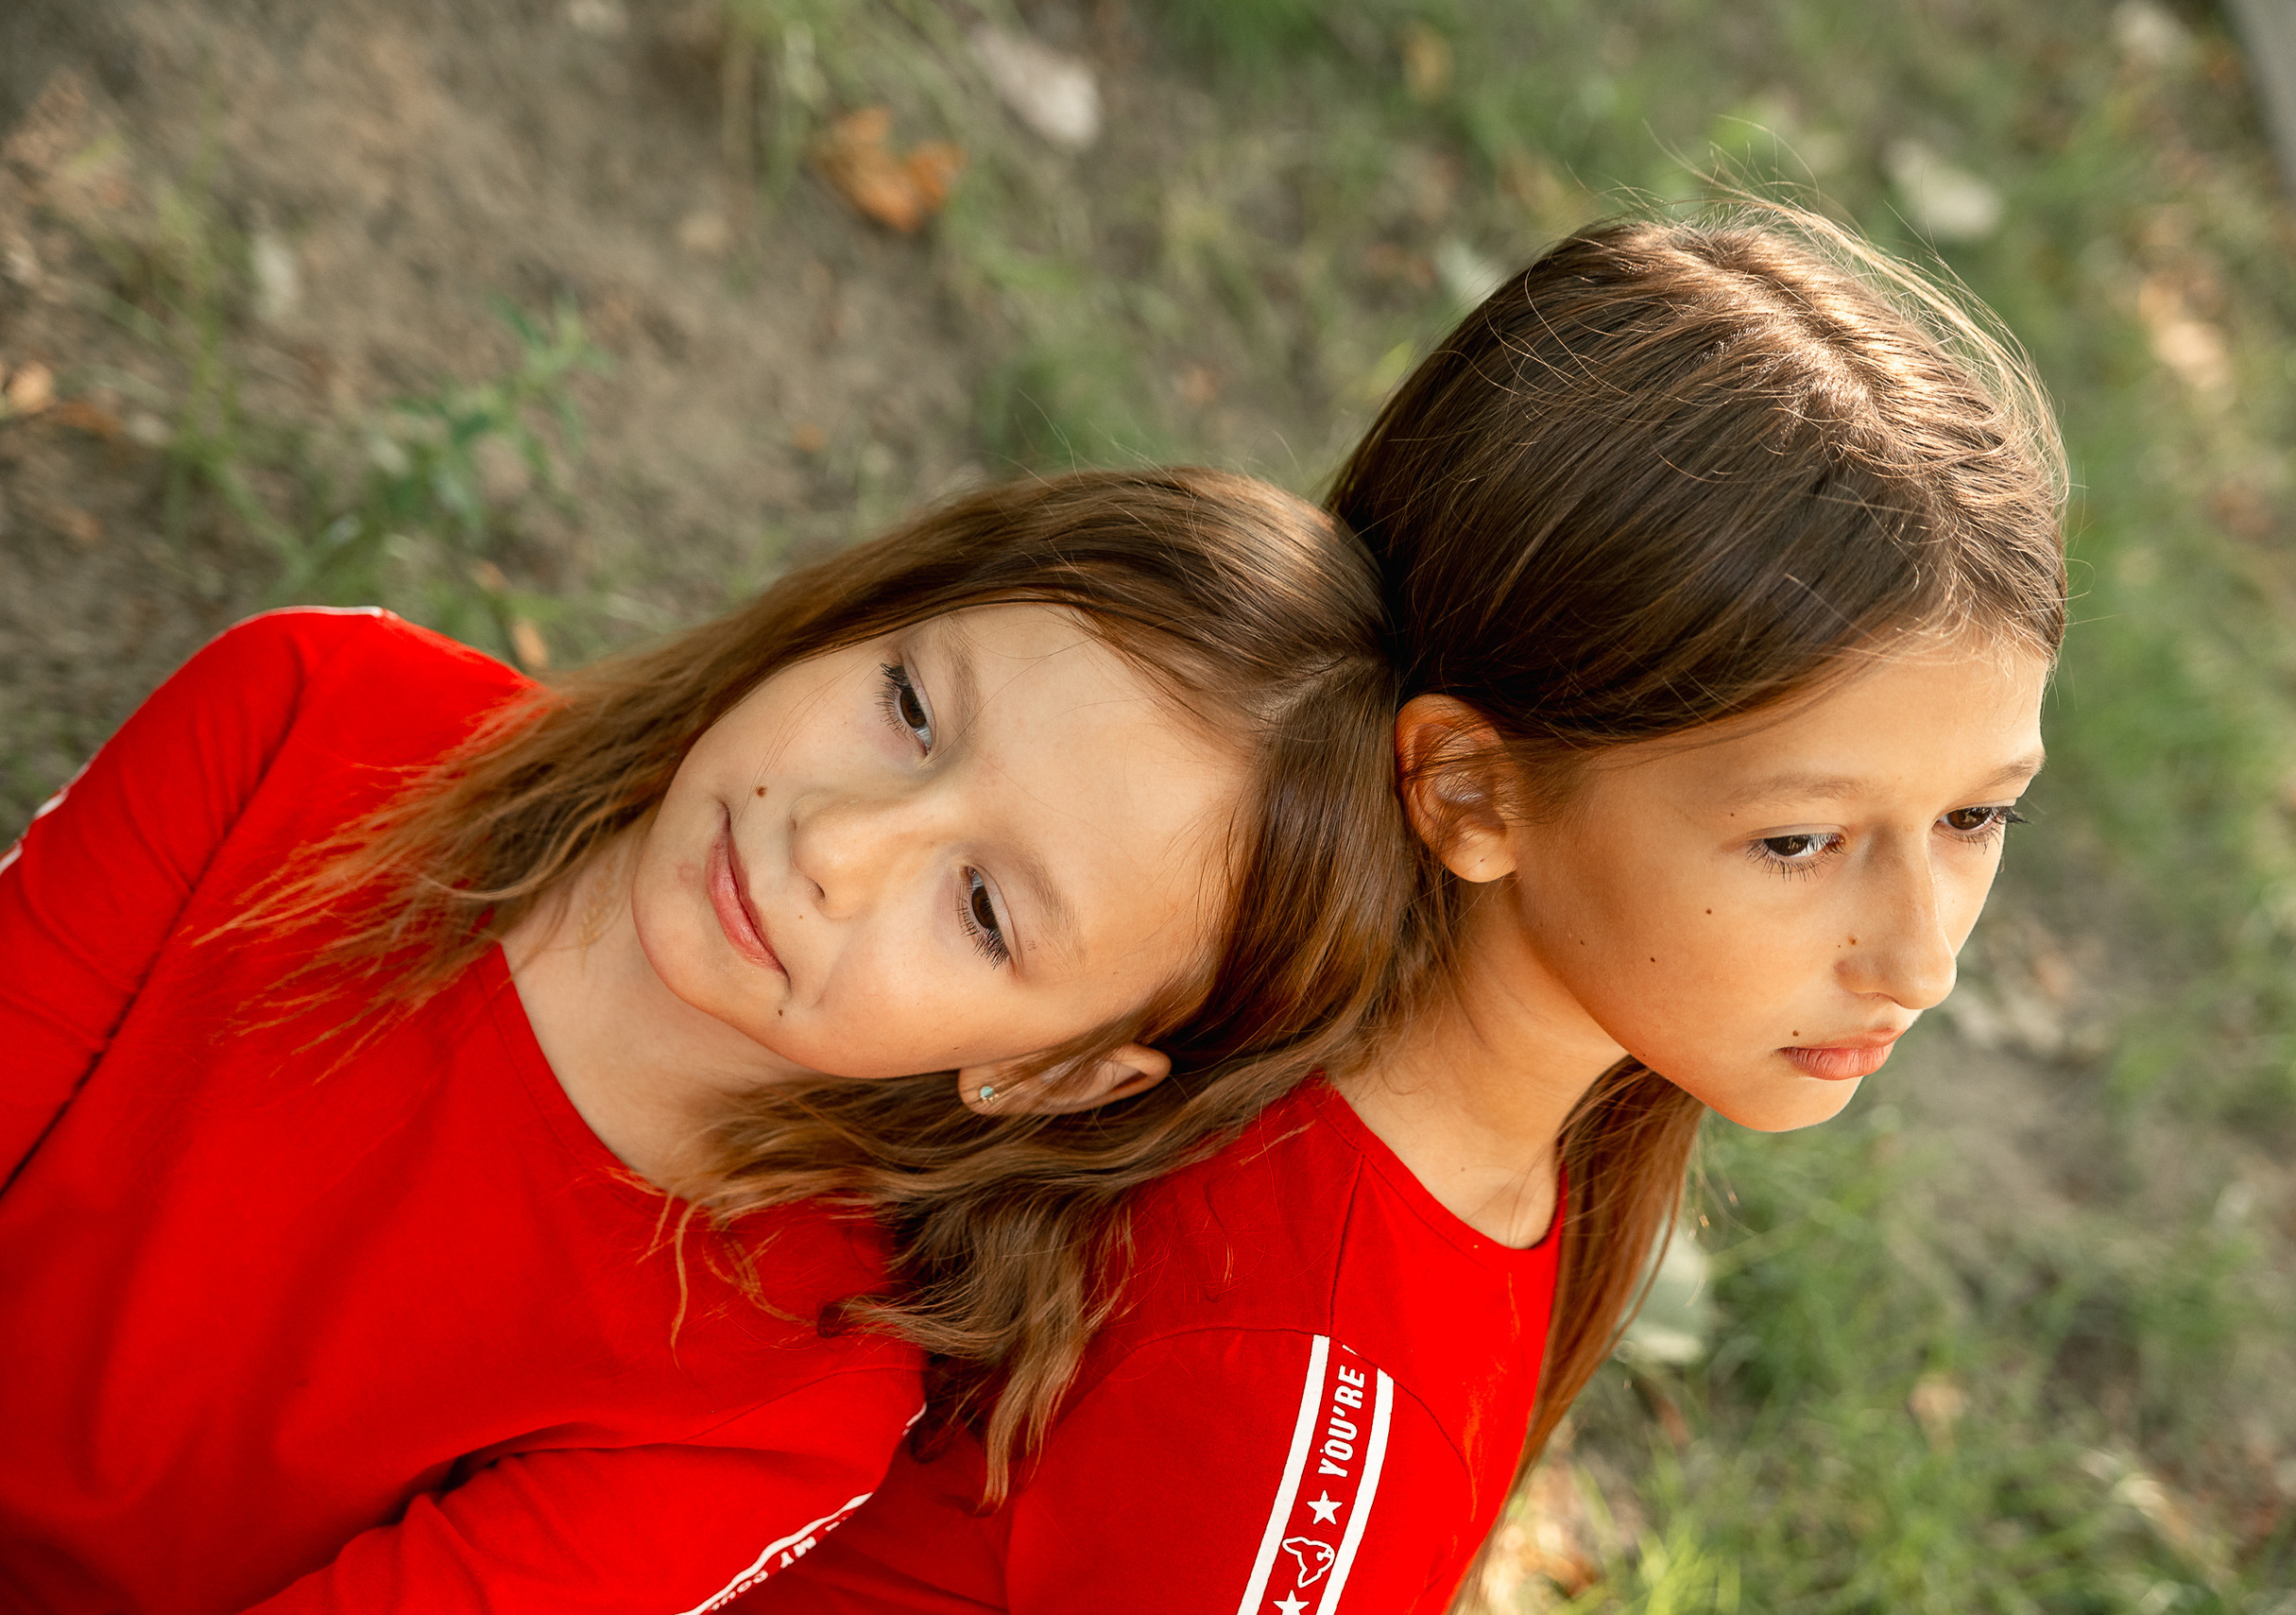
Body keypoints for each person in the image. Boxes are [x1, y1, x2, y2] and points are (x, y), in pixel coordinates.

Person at [755, 206, 2069, 1612]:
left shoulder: (1492, 1133)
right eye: (1799, 840)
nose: (1921, 959)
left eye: (1975, 817)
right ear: (1471, 791)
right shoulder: (1292, 1373)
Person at [0, 469, 1413, 1614]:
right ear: (864, 608)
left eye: (984, 909)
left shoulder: (772, 1408)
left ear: (1047, 1072)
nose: (839, 843)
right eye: (912, 708)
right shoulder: (320, 713)